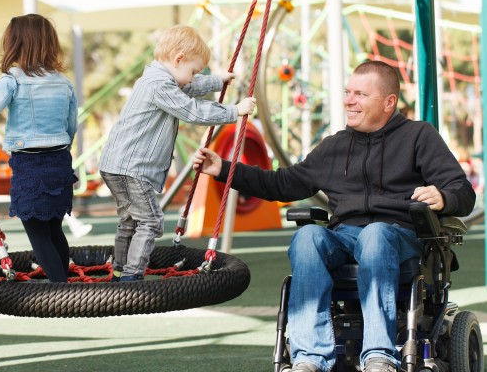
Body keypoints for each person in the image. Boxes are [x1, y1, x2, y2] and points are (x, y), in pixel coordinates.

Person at [193, 60, 475, 372]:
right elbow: (281, 183)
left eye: (360, 94)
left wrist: (443, 196)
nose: (348, 100)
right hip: (344, 237)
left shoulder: (419, 136)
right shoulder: (334, 147)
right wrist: (222, 169)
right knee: (308, 236)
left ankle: (379, 356)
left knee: (376, 233)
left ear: (388, 102)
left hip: (398, 237)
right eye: (347, 92)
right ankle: (309, 359)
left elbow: (462, 191)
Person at [99, 25, 256, 282]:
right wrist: (234, 111)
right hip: (131, 169)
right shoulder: (160, 86)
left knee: (129, 220)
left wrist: (217, 80)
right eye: (193, 71)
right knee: (150, 221)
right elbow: (191, 110)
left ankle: (119, 271)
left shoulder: (155, 77)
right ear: (178, 59)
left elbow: (188, 85)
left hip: (116, 165)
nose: (194, 77)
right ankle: (130, 278)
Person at [0, 14, 78, 283]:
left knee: (37, 231)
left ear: (15, 43)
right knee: (53, 228)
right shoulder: (63, 81)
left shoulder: (12, 79)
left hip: (30, 164)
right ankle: (65, 284)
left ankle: (60, 289)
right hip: (60, 160)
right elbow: (71, 125)